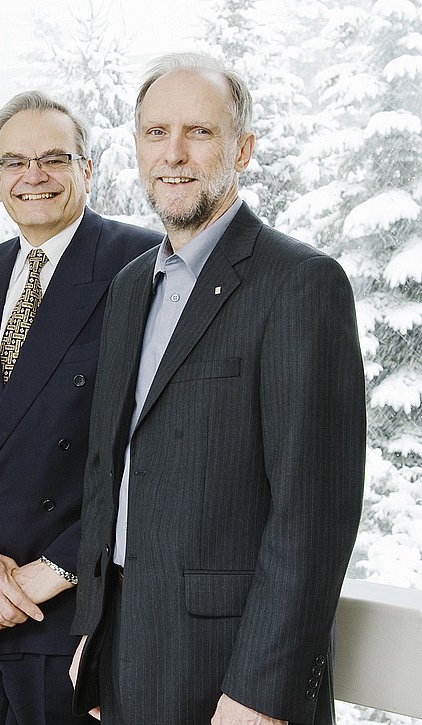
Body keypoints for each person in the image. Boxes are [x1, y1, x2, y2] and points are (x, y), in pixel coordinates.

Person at [69, 53, 366, 725]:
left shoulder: (301, 284)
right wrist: (92, 632)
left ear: (244, 149)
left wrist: (261, 694)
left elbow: (312, 517)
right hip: (123, 661)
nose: (173, 153)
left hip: (234, 679)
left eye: (199, 132)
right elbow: (106, 472)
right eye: (155, 132)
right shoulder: (128, 288)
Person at [0, 90, 159, 724]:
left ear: (88, 168)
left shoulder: (143, 266)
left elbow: (153, 448)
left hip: (80, 609)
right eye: (14, 161)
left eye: (53, 158)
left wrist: (55, 569)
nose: (33, 177)